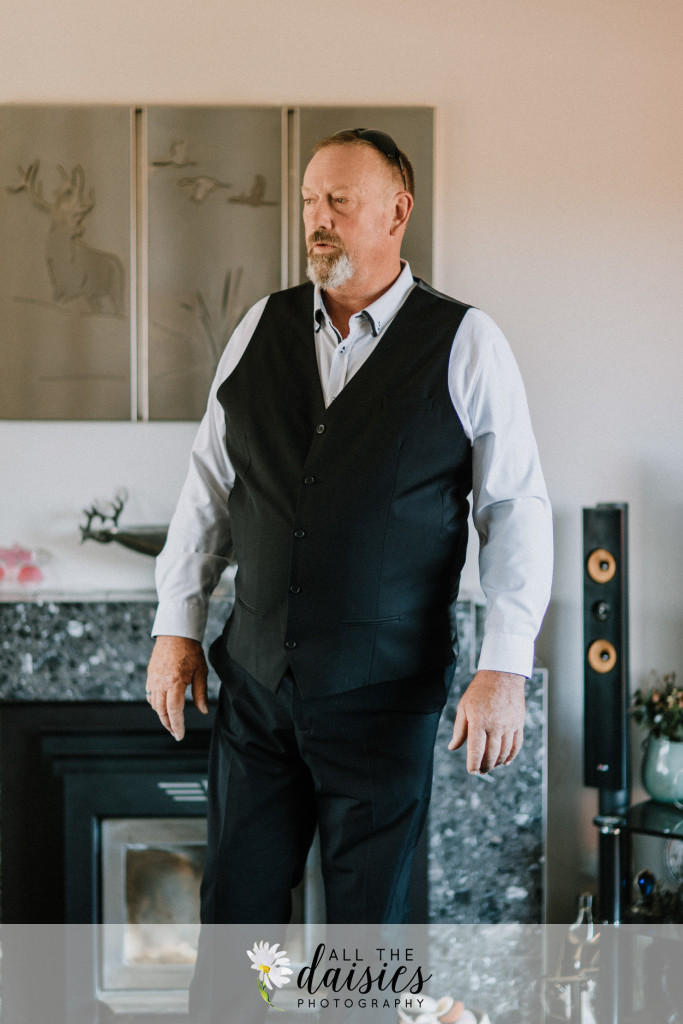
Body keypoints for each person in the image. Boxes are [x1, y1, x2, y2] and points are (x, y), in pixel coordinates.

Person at [146, 129, 553, 930]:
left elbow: (513, 509)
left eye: (338, 200)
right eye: (308, 201)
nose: (316, 219)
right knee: (237, 915)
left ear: (397, 211)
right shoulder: (259, 327)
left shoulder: (466, 342)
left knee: (365, 935)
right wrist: (176, 626)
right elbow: (208, 487)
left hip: (382, 697)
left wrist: (505, 666)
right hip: (257, 689)